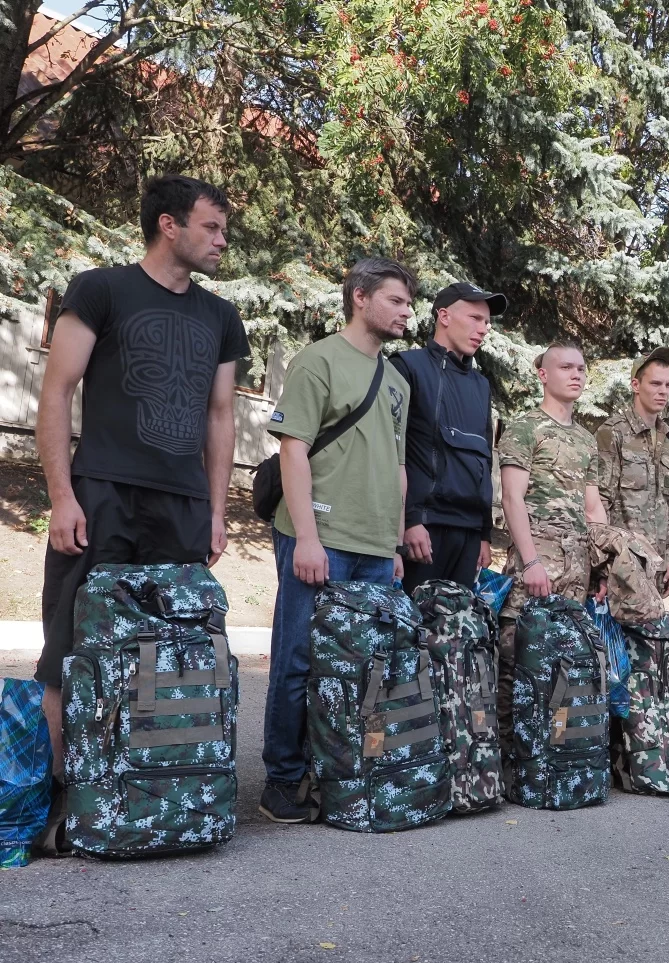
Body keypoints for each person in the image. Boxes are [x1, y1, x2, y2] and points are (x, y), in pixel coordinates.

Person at [34, 175, 249, 774]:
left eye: (224, 230)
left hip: (181, 505)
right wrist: (62, 497)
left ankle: (152, 793)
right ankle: (63, 794)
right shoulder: (101, 289)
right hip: (101, 494)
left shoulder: (222, 316)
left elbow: (220, 415)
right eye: (211, 227)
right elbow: (57, 392)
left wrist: (215, 512)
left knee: (174, 656)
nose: (222, 240)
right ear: (168, 225)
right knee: (69, 652)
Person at [261, 258, 414, 822]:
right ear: (359, 297)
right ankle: (283, 781)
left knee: (365, 668)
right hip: (320, 538)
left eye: (408, 303)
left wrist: (394, 544)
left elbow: (398, 468)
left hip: (375, 547)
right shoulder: (318, 360)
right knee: (299, 660)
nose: (406, 312)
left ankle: (343, 777)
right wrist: (307, 537)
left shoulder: (397, 382)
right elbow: (293, 449)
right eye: (395, 300)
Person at [496, 342, 607, 732]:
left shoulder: (586, 439)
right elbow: (512, 498)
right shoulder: (525, 427)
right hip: (536, 568)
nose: (576, 374)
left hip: (577, 574)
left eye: (581, 368)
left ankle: (553, 756)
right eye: (566, 367)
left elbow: (593, 509)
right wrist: (530, 562)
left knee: (565, 671)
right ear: (543, 375)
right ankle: (509, 754)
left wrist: (601, 569)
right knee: (516, 665)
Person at [391, 281, 505, 593]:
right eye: (475, 318)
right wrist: (410, 521)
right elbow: (392, 452)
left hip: (468, 536)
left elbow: (484, 459)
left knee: (458, 623)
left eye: (487, 322)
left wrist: (484, 534)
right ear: (444, 316)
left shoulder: (481, 385)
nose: (483, 329)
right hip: (424, 531)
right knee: (412, 620)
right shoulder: (406, 367)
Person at [597, 347, 669, 596]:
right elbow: (599, 503)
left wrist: (668, 559)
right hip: (621, 566)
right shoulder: (613, 432)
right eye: (655, 383)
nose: (663, 391)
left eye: (668, 385)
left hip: (656, 568)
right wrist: (601, 569)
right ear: (635, 385)